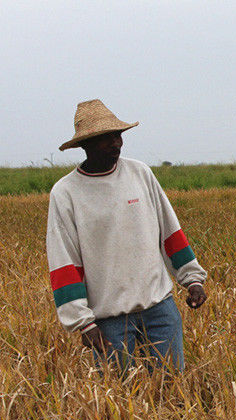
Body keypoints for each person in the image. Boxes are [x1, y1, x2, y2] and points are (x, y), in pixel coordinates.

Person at [46, 99, 207, 371]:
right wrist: (83, 322)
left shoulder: (139, 173)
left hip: (160, 310)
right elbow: (64, 262)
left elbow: (170, 230)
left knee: (173, 392)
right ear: (85, 145)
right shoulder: (66, 193)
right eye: (105, 138)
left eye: (117, 135)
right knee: (121, 401)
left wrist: (192, 279)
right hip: (109, 321)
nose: (115, 143)